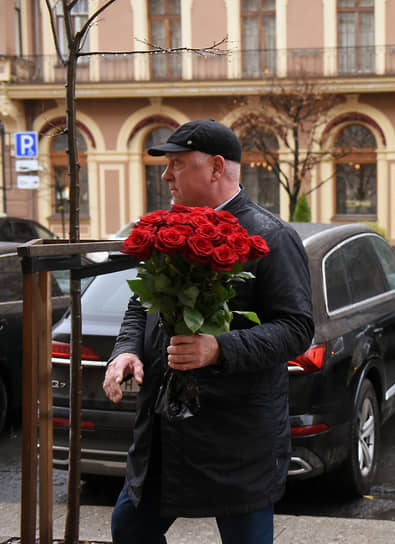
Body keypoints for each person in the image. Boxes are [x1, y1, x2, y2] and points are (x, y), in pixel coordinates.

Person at [103, 120, 315, 544]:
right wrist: (126, 351)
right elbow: (139, 304)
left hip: (237, 439)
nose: (166, 175)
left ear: (216, 168)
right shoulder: (169, 229)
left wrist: (219, 348)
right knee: (129, 528)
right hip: (166, 435)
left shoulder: (271, 236)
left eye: (177, 164)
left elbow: (296, 328)